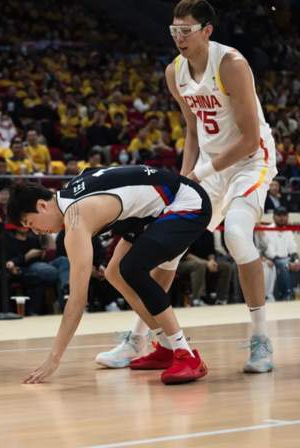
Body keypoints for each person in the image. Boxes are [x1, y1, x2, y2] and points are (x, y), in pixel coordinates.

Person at [98, 0, 278, 374]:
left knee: (237, 235)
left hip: (250, 162)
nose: (178, 37)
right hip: (207, 168)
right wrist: (184, 177)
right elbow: (192, 130)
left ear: (207, 31)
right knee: (167, 249)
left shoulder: (231, 64)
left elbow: (248, 140)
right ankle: (140, 339)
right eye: (174, 30)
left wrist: (200, 173)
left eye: (186, 30)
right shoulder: (174, 71)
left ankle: (261, 338)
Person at [8, 164, 212, 385]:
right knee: (114, 272)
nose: (36, 232)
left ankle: (186, 354)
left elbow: (77, 299)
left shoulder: (75, 219)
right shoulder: (70, 189)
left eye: (31, 224)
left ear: (42, 205)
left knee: (132, 269)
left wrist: (54, 358)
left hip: (186, 203)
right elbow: (97, 171)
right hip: (151, 209)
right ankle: (166, 346)